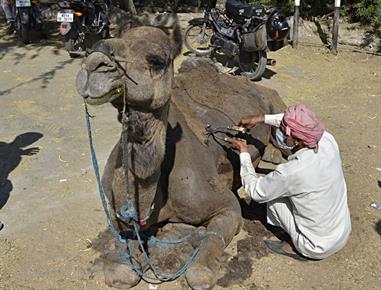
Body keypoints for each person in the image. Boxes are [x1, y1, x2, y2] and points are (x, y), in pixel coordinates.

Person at [225, 104, 351, 261]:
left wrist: (244, 153)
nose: (282, 134)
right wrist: (261, 119)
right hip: (342, 233)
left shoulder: (294, 171)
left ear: (295, 140)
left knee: (272, 197)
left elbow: (256, 192)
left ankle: (294, 246)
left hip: (316, 246)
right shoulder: (326, 140)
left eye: (284, 133)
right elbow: (296, 124)